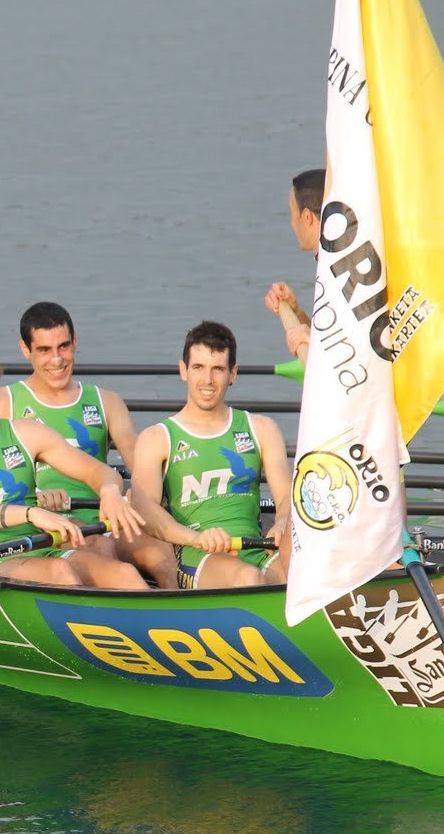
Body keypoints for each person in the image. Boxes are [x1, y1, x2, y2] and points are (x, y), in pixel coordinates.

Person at [0, 346, 146, 588]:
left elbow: (98, 471)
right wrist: (33, 513)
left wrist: (110, 492)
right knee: (58, 571)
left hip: (38, 550)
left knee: (125, 574)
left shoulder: (26, 434)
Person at [0, 302, 179, 589]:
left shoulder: (107, 401)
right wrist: (38, 494)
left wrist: (131, 496)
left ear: (75, 341)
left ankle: (178, 617)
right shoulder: (5, 403)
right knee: (98, 547)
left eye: (63, 347)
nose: (57, 360)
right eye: (44, 350)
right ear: (25, 350)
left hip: (107, 514)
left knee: (160, 552)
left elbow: (141, 469)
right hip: (49, 522)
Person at [129, 321, 293, 589]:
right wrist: (195, 538)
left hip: (255, 548)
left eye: (217, 369)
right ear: (183, 370)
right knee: (248, 578)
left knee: (300, 576)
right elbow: (146, 509)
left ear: (233, 374)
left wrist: (282, 522)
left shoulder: (262, 428)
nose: (207, 380)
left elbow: (286, 497)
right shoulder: (156, 438)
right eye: (198, 368)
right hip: (197, 555)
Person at [262, 168, 325, 362]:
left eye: (292, 214)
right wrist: (295, 310)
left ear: (307, 217)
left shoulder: (341, 268)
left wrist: (316, 342)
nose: (291, 223)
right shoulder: (332, 263)